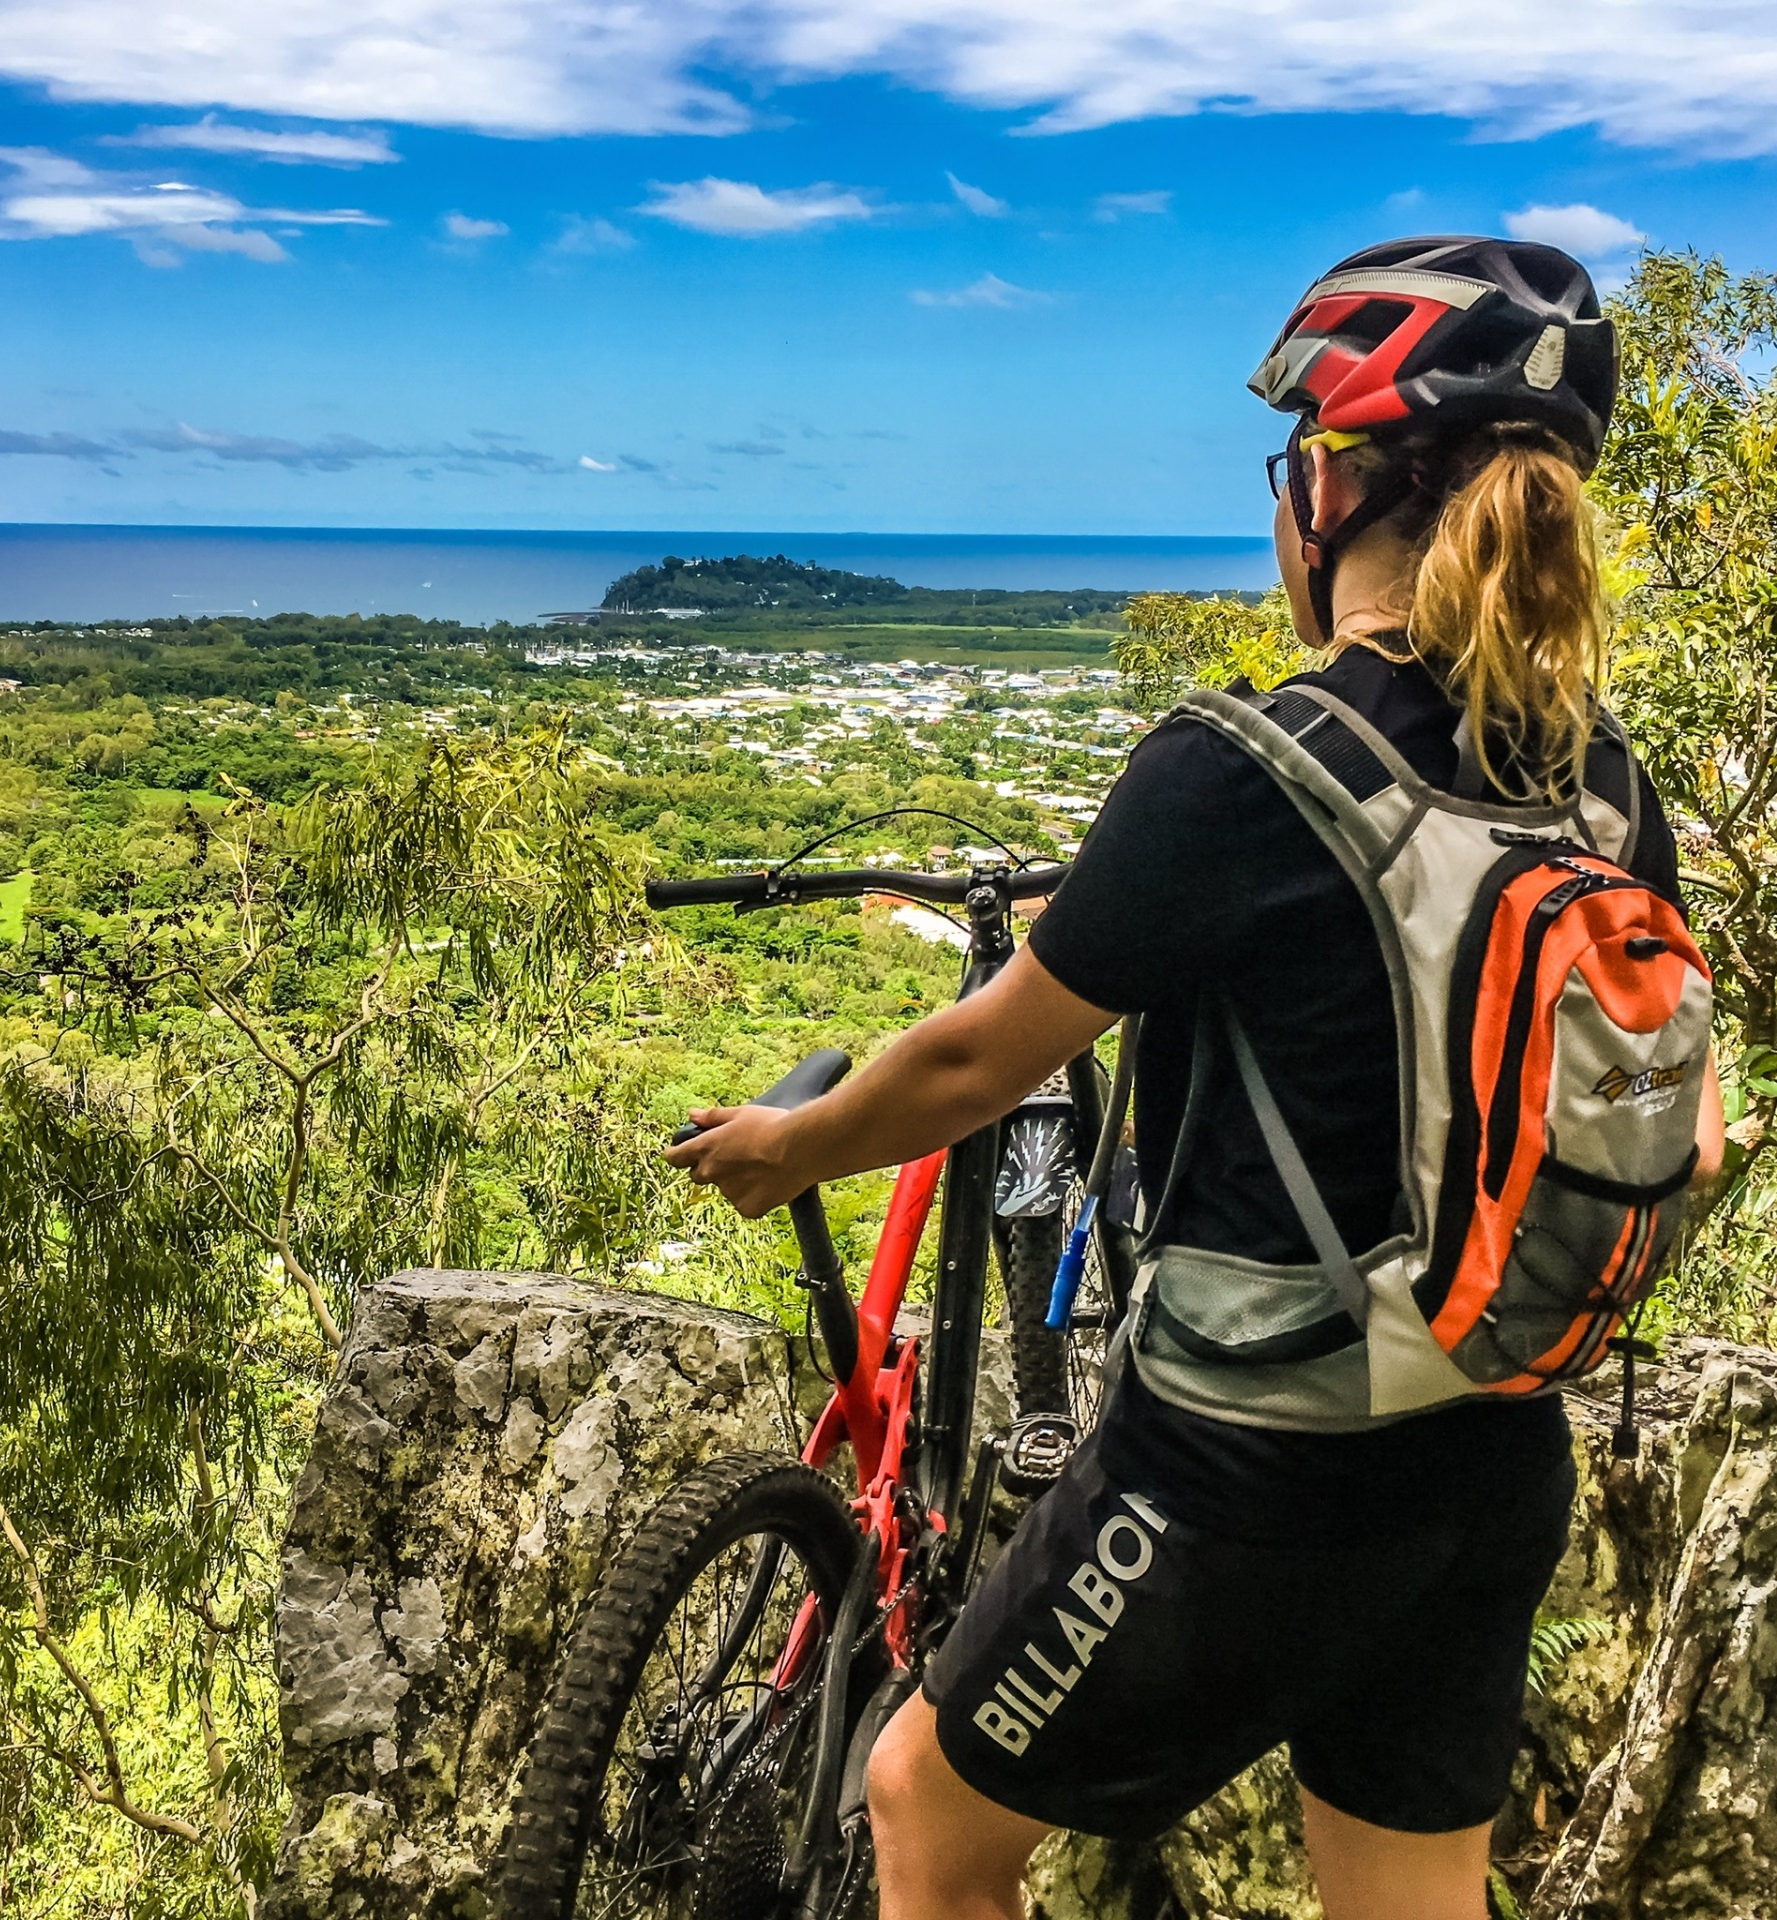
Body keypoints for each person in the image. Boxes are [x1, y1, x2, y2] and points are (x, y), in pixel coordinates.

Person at [665, 236, 1727, 1920]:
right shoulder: (1597, 783)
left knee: (924, 1811)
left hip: (1252, 1470)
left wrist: (798, 1145)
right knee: (1405, 1894)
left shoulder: (1247, 770)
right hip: (1494, 1446)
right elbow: (1695, 1109)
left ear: (1332, 487)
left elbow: (972, 1056)